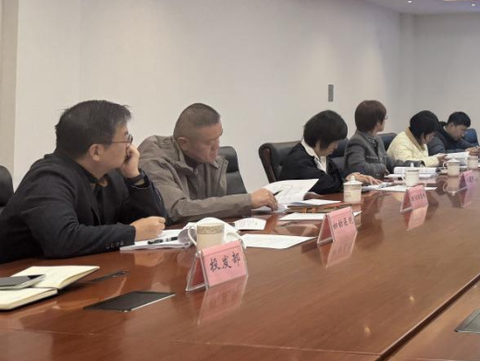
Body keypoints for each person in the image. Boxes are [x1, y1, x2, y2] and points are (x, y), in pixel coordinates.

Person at [0, 100, 167, 263]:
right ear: (96, 151)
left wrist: (134, 177)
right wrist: (132, 232)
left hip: (79, 269)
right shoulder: (47, 179)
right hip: (17, 275)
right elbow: (62, 240)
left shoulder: (110, 176)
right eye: (126, 139)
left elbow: (154, 223)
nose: (130, 147)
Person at [138, 103, 276, 223]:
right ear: (184, 143)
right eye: (209, 142)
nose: (217, 146)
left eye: (218, 137)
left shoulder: (206, 159)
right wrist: (246, 201)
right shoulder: (154, 161)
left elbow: (216, 208)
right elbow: (176, 210)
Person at [279, 110, 379, 193]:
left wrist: (356, 176)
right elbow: (324, 183)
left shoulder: (322, 156)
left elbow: (337, 174)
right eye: (335, 141)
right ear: (321, 138)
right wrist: (348, 180)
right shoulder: (298, 159)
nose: (336, 146)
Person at [344, 100, 394, 178]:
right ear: (377, 122)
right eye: (384, 118)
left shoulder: (377, 139)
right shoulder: (356, 141)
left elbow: (390, 163)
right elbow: (358, 168)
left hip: (379, 183)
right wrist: (381, 168)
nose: (385, 121)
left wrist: (412, 165)